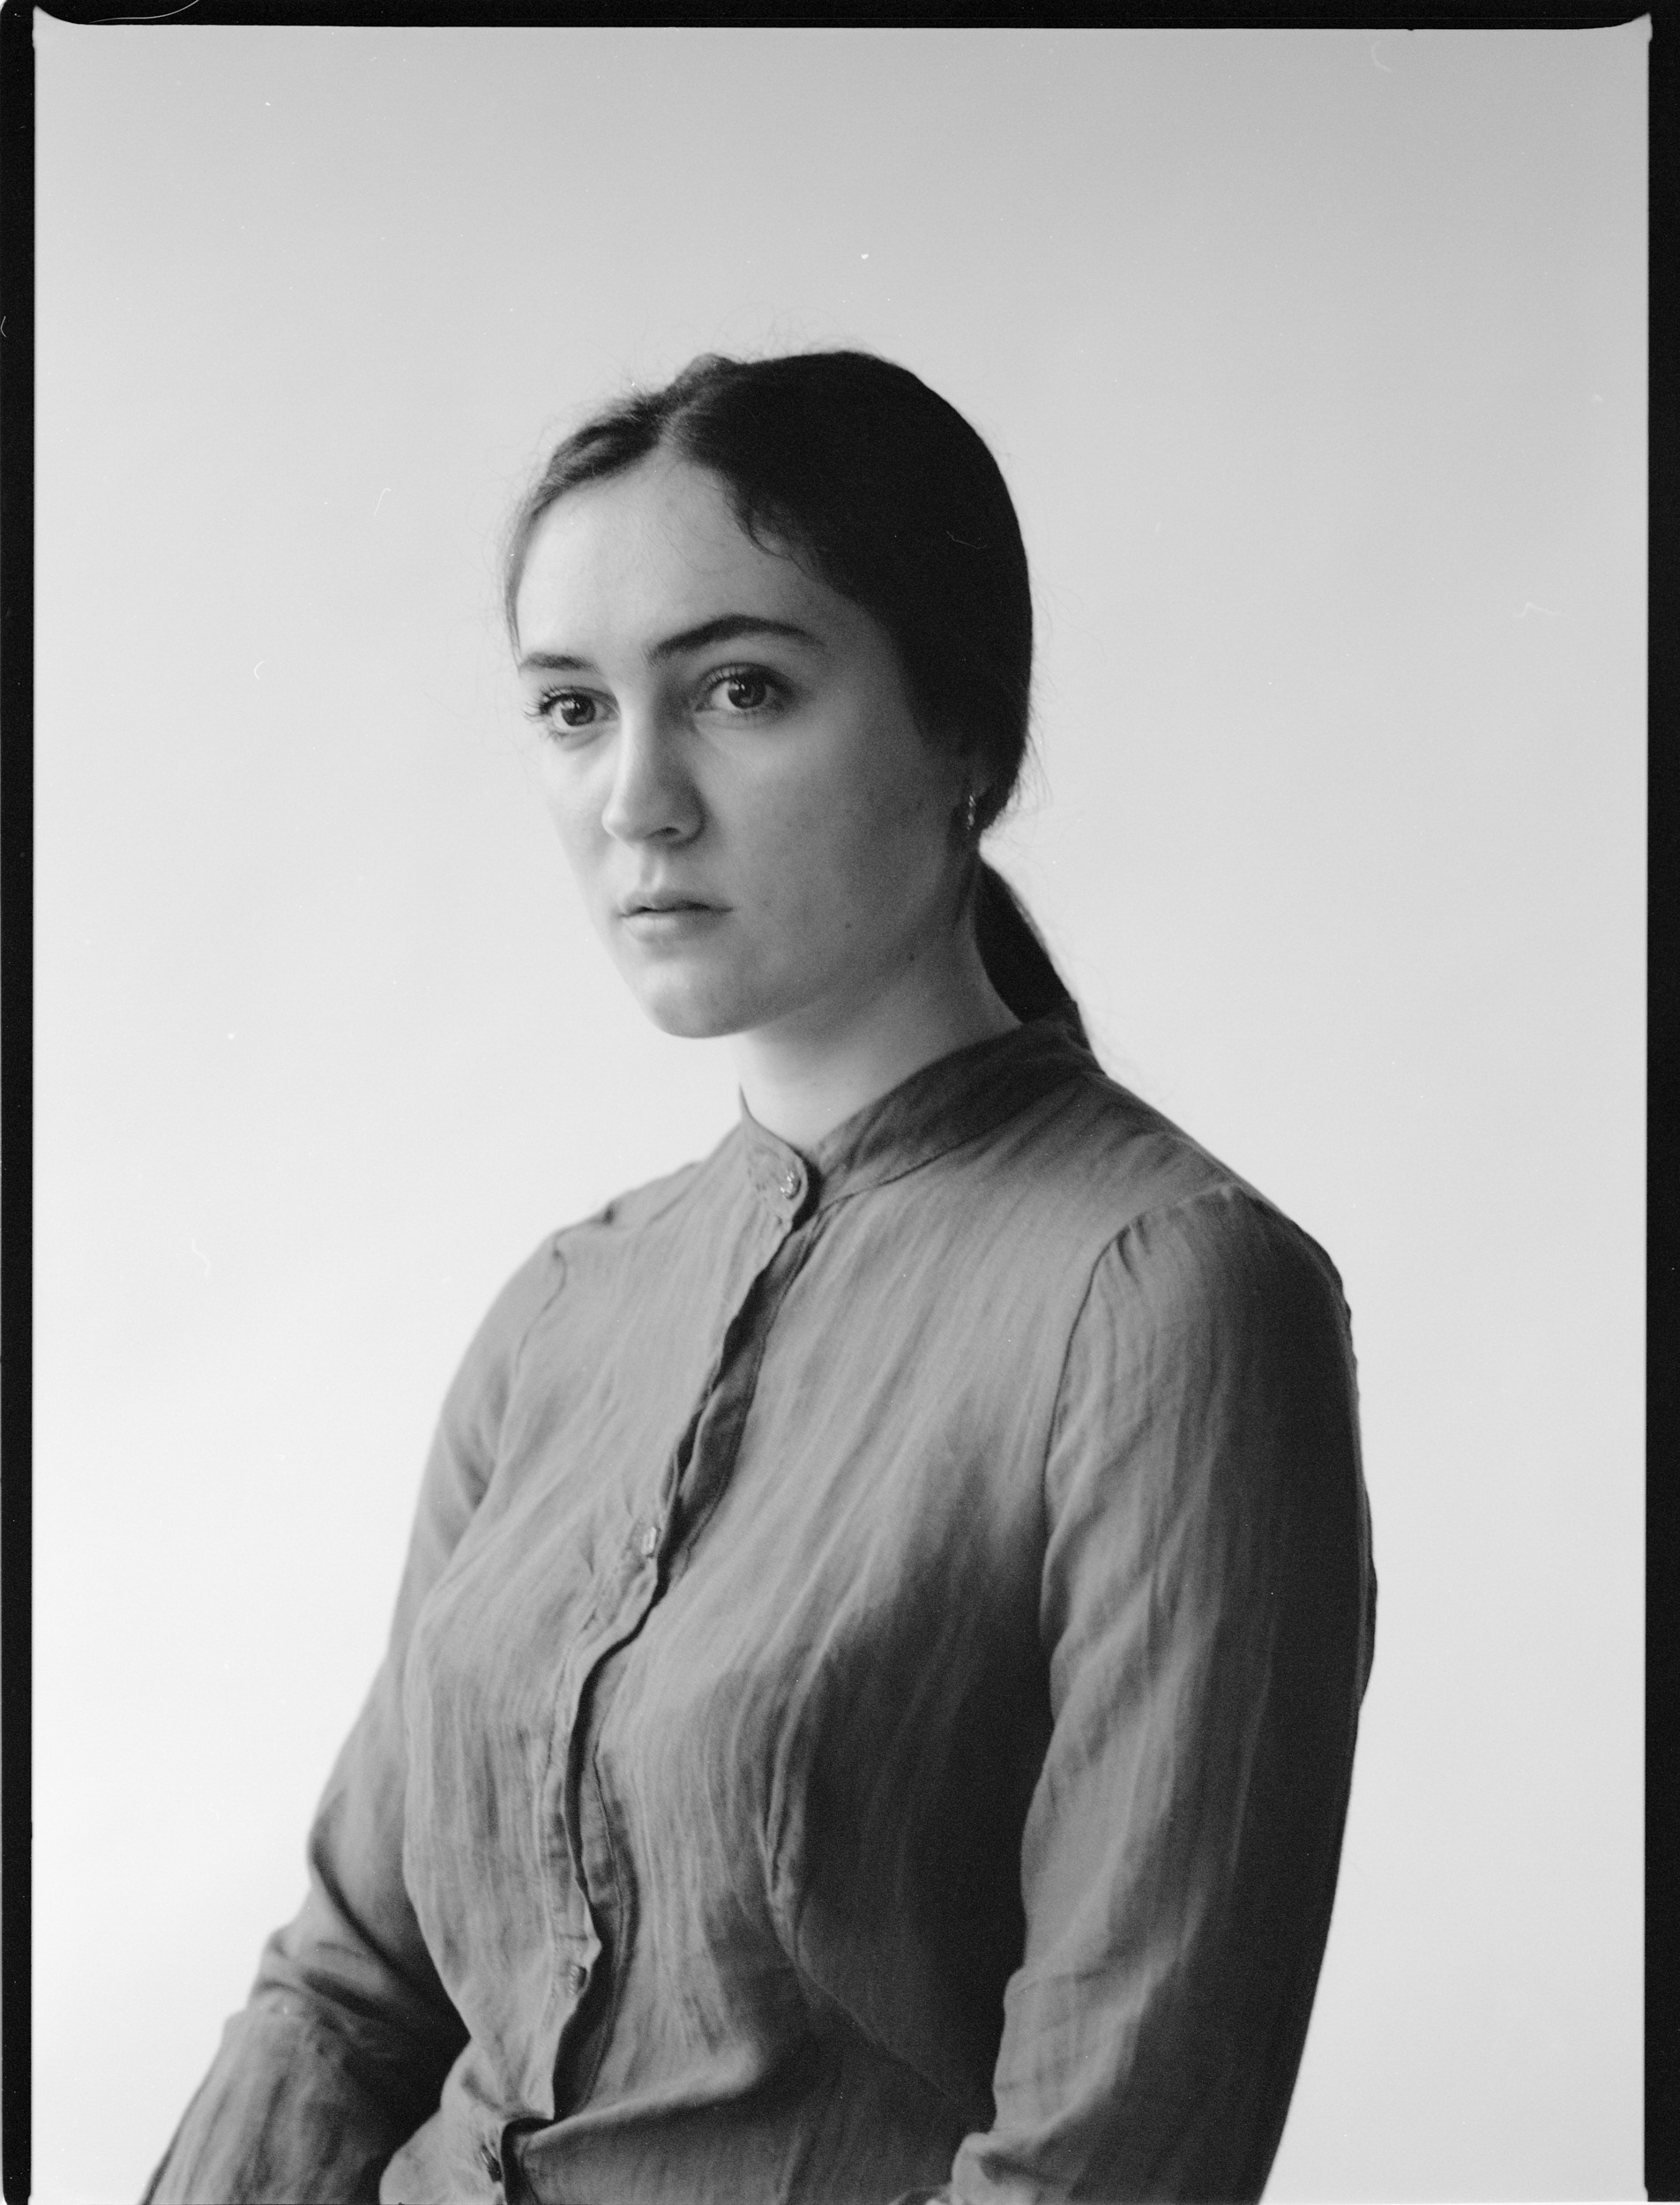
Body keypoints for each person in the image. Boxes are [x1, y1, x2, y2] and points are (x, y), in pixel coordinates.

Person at [143, 349, 1377, 2205]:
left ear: (969, 731)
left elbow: (1114, 2149)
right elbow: (344, 1989)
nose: (636, 797)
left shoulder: (1167, 1298)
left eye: (738, 689)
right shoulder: (562, 1311)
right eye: (571, 710)